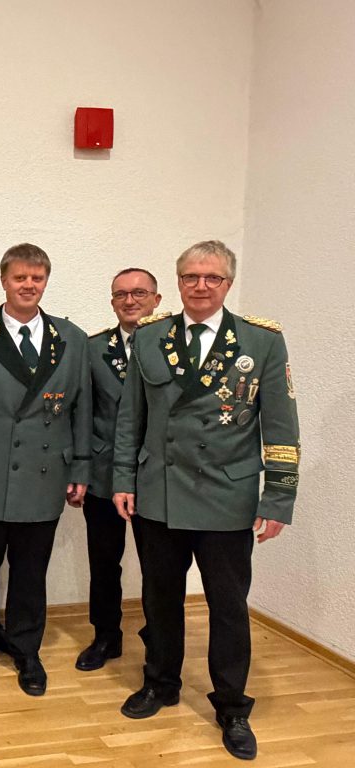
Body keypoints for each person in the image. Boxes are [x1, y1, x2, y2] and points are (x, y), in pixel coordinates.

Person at [113, 240, 300, 761]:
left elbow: (281, 425)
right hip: (160, 493)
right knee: (160, 598)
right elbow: (131, 417)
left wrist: (278, 498)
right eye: (191, 277)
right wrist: (123, 478)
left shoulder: (261, 342)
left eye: (212, 278)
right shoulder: (150, 336)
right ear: (177, 282)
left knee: (228, 606)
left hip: (227, 496)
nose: (201, 286)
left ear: (227, 284)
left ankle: (233, 706)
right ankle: (161, 682)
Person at [0, 243, 90, 698]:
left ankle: (27, 649)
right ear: (4, 281)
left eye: (37, 278)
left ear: (46, 281)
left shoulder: (71, 338)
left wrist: (81, 467)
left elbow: (81, 409)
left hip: (44, 472)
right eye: (20, 278)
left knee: (31, 572)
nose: (28, 285)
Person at [75, 268, 162, 672]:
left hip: (157, 476)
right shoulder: (92, 349)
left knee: (159, 566)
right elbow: (80, 412)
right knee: (104, 561)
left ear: (157, 300)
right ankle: (106, 635)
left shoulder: (172, 347)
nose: (130, 301)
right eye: (121, 294)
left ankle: (159, 636)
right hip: (104, 473)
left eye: (139, 293)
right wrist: (80, 468)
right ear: (112, 302)